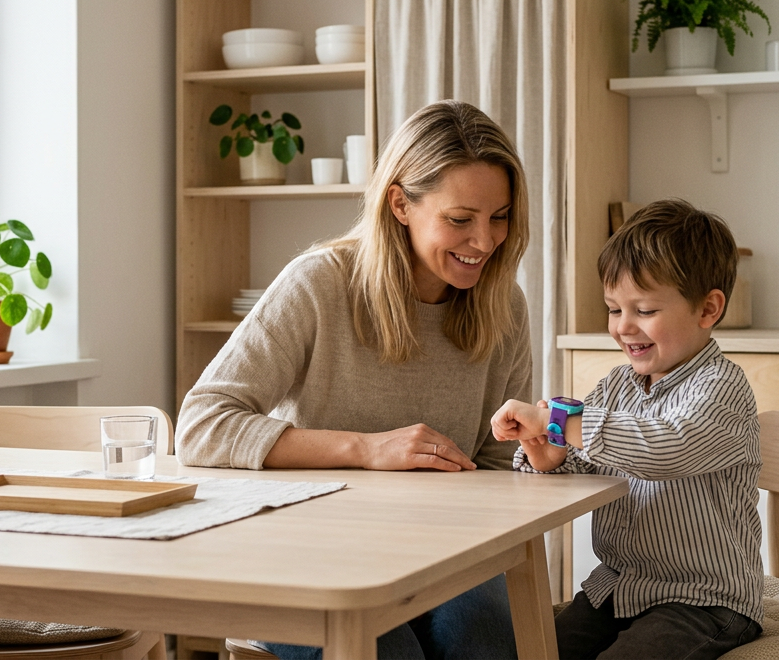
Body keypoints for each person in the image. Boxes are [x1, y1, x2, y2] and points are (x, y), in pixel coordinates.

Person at [177, 100, 532, 660]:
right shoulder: (319, 284)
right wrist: (366, 450)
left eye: (500, 217)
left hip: (442, 548)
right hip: (309, 552)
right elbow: (202, 426)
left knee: (481, 640)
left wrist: (537, 455)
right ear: (400, 204)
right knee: (388, 653)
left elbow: (494, 464)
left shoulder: (503, 305)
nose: (485, 242)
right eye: (460, 219)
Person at [490, 199, 764, 660]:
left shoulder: (722, 387)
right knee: (529, 651)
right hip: (616, 592)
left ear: (708, 309)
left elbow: (665, 449)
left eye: (644, 310)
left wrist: (560, 421)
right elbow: (582, 460)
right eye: (614, 309)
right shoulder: (616, 385)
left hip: (702, 601)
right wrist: (548, 455)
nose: (624, 327)